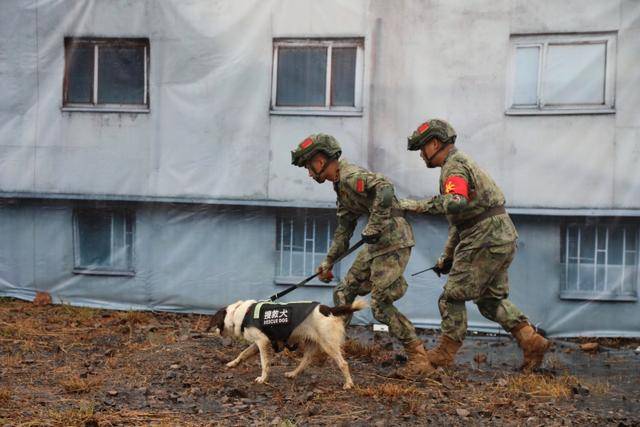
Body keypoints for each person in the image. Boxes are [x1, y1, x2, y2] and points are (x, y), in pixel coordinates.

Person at [400, 119, 550, 372]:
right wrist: (447, 257)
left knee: (451, 297)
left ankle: (444, 354)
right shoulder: (461, 164)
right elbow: (461, 221)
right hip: (499, 235)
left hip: (485, 237)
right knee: (490, 300)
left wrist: (413, 205)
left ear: (435, 143)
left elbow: (455, 202)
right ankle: (531, 340)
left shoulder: (454, 167)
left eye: (422, 148)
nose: (421, 155)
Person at [291, 133, 433, 376]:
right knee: (343, 291)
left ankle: (419, 357)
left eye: (308, 164)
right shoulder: (341, 189)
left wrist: (375, 224)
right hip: (376, 243)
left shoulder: (350, 176)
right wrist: (329, 261)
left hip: (394, 240)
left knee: (380, 304)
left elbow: (385, 188)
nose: (308, 172)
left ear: (322, 160)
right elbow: (344, 230)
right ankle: (330, 346)